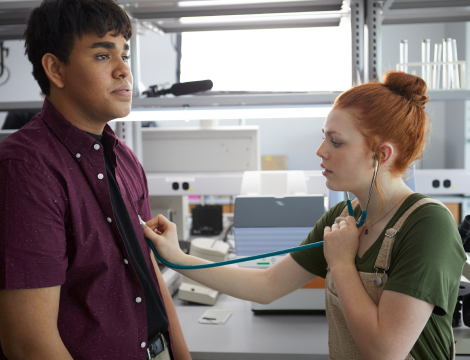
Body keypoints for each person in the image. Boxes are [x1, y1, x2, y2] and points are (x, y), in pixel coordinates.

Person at [143, 71, 466, 360]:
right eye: (324, 136)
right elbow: (266, 285)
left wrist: (341, 265)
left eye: (335, 141)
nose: (321, 150)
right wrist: (176, 257)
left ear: (381, 155)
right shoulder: (342, 217)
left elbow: (384, 351)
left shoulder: (428, 225)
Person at [0, 1, 191, 359]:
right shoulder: (26, 169)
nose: (124, 71)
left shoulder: (124, 158)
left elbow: (147, 271)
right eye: (103, 56)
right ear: (56, 69)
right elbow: (28, 343)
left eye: (125, 54)